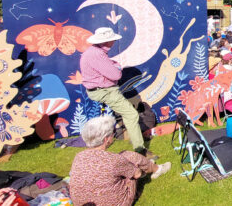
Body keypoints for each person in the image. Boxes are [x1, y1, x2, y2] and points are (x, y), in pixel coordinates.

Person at [80, 27, 153, 158]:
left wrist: (113, 65)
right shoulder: (97, 55)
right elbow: (116, 75)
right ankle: (140, 150)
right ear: (108, 41)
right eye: (112, 40)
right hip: (105, 91)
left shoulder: (93, 51)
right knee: (131, 115)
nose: (113, 42)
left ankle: (132, 139)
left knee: (127, 115)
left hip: (99, 89)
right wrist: (116, 66)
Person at [69, 116, 171, 206]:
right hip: (116, 203)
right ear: (106, 139)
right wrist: (137, 170)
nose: (114, 135)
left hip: (81, 203)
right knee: (130, 157)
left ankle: (150, 167)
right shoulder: (112, 160)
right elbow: (137, 174)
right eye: (112, 133)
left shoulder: (79, 157)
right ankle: (158, 169)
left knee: (123, 160)